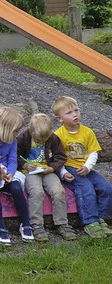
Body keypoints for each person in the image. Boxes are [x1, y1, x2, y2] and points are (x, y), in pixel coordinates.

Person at [53, 96, 112, 238]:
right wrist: (62, 173)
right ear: (59, 119)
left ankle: (101, 218)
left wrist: (87, 166)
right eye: (69, 113)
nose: (75, 114)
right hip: (70, 169)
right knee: (86, 189)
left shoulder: (87, 132)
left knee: (107, 189)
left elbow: (93, 152)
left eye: (76, 110)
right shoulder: (58, 135)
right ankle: (90, 222)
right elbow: (56, 157)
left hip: (87, 169)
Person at [16, 113, 77, 241]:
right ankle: (36, 224)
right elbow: (15, 156)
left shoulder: (53, 139)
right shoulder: (23, 138)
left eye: (44, 140)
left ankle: (62, 223)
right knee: (36, 192)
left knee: (58, 191)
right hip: (30, 172)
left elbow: (60, 157)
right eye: (38, 140)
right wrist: (25, 165)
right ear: (31, 131)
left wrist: (52, 168)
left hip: (47, 170)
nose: (42, 142)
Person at [0, 107, 34, 242]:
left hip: (6, 175)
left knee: (16, 188)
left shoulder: (12, 141)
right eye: (15, 131)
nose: (17, 134)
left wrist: (10, 173)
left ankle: (26, 223)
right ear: (6, 129)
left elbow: (12, 159)